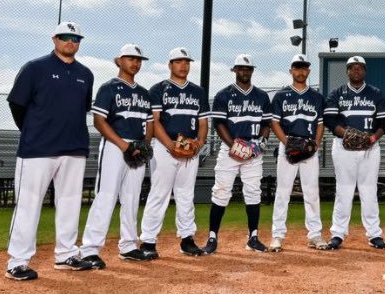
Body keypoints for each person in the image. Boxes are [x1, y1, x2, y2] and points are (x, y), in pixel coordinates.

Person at [5, 21, 95, 280]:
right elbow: (17, 106)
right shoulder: (35, 68)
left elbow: (81, 108)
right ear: (54, 39)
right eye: (65, 37)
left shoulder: (85, 74)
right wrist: (34, 131)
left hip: (74, 147)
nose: (71, 42)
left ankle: (66, 255)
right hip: (37, 149)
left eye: (76, 38)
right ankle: (17, 262)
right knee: (28, 205)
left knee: (69, 204)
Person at [79, 44, 155, 268]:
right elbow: (99, 121)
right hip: (115, 146)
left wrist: (144, 144)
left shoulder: (143, 93)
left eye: (139, 59)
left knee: (131, 198)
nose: (135, 63)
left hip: (137, 147)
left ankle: (129, 246)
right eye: (130, 58)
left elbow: (150, 123)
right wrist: (124, 146)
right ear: (119, 61)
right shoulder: (108, 88)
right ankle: (90, 249)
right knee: (106, 196)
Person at [138, 47, 210, 258]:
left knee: (186, 194)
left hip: (191, 148)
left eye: (187, 62)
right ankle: (148, 241)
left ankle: (187, 239)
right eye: (179, 62)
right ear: (170, 65)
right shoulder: (158, 89)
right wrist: (170, 145)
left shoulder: (198, 91)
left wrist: (199, 143)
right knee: (159, 193)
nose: (183, 65)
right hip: (164, 147)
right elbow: (155, 122)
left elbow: (203, 122)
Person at [203, 54, 272, 254]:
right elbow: (219, 124)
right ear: (234, 70)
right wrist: (234, 146)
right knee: (221, 191)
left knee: (253, 192)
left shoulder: (261, 96)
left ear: (252, 71)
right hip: (229, 150)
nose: (244, 71)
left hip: (253, 150)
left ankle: (253, 237)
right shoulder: (223, 95)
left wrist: (262, 143)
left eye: (248, 68)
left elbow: (266, 124)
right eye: (240, 68)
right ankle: (212, 237)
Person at [323, 56, 385, 250]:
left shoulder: (375, 93)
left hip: (370, 148)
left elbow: (383, 123)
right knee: (344, 189)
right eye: (353, 68)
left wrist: (372, 139)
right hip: (344, 148)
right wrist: (348, 134)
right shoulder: (337, 94)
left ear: (365, 71)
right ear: (347, 71)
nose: (356, 71)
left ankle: (374, 234)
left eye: (360, 68)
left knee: (369, 190)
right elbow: (330, 121)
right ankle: (337, 233)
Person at [270, 54, 328, 252]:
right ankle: (277, 235)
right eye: (297, 67)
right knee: (282, 192)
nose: (300, 71)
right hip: (288, 148)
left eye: (304, 68)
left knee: (311, 192)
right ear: (291, 71)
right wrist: (287, 143)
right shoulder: (281, 96)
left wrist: (316, 145)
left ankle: (314, 234)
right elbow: (274, 123)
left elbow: (320, 125)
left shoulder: (316, 97)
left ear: (309, 71)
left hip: (309, 150)